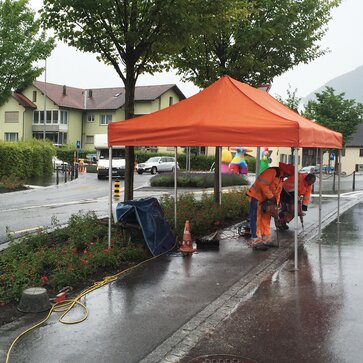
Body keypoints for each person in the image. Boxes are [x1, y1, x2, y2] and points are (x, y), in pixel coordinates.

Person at [246, 162, 294, 248]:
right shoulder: (272, 172)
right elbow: (262, 185)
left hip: (267, 200)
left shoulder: (280, 178)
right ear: (285, 171)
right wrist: (271, 197)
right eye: (288, 174)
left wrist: (275, 205)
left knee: (266, 219)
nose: (288, 176)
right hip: (256, 197)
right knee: (257, 218)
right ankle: (256, 240)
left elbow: (278, 193)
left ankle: (266, 239)